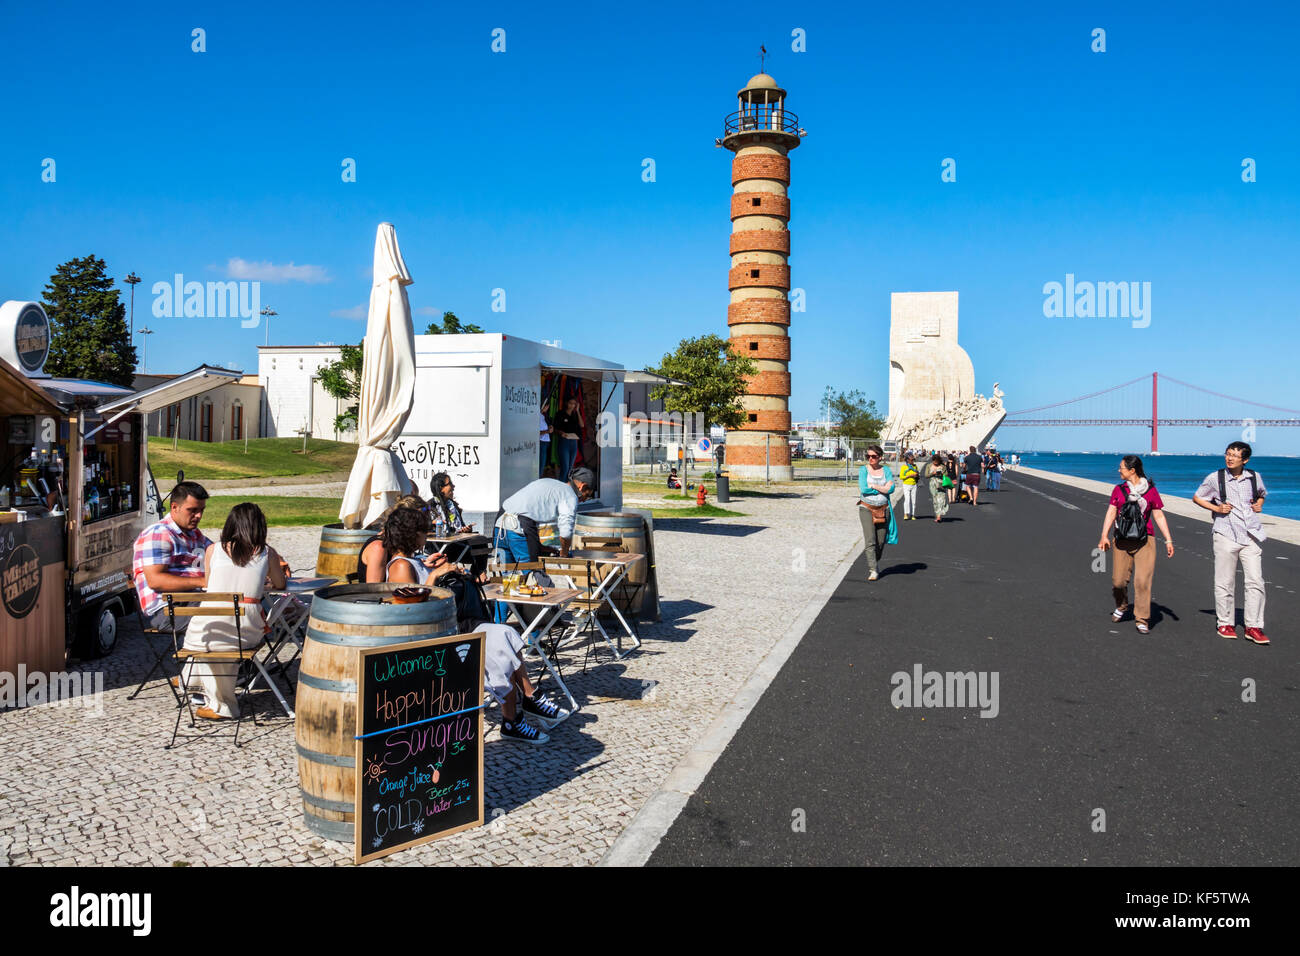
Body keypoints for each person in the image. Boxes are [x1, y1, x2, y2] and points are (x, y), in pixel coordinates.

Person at [383, 507, 569, 742]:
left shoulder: (412, 560)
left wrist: (432, 566)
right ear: (412, 533)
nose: (427, 535)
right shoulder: (400, 566)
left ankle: (523, 707)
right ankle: (520, 713)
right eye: (424, 530)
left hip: (454, 627)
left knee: (505, 636)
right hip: (435, 640)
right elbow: (412, 612)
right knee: (499, 643)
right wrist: (434, 576)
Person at [182, 503, 287, 720]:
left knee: (210, 641)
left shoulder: (214, 550)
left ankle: (213, 699)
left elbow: (211, 585)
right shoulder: (267, 553)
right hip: (244, 628)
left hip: (204, 630)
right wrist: (261, 583)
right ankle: (218, 702)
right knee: (228, 638)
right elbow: (280, 584)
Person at [1192, 441, 1270, 644]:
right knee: (1225, 581)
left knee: (1256, 581)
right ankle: (1225, 623)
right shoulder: (1215, 478)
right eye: (1227, 454)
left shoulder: (1254, 477)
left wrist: (1259, 504)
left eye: (1234, 455)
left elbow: (1261, 495)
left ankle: (1253, 627)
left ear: (1245, 460)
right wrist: (1217, 509)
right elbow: (1197, 497)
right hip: (1226, 533)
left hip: (1251, 535)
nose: (1229, 458)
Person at [1097, 455, 1175, 635]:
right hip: (1121, 539)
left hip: (1145, 540)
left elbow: (1159, 516)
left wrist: (1168, 539)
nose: (1118, 471)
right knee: (1118, 581)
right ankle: (1122, 605)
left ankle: (1141, 619)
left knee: (1142, 581)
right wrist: (1104, 536)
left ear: (1132, 470)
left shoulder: (1151, 491)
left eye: (1121, 468)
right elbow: (1111, 512)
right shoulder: (1118, 490)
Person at [132, 480, 212, 631]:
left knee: (242, 607)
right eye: (192, 510)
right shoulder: (159, 533)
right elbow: (156, 581)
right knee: (230, 615)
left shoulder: (194, 534)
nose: (199, 516)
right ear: (174, 507)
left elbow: (218, 554)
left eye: (202, 510)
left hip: (191, 600)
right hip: (168, 610)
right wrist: (202, 582)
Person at [357, 494, 428, 584]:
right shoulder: (379, 548)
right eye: (420, 525)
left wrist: (422, 564)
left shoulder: (399, 544)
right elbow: (373, 590)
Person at [857, 444, 897, 582]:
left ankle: (874, 561)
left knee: (880, 541)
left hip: (883, 508)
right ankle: (873, 569)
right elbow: (864, 489)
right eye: (868, 456)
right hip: (866, 507)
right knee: (870, 540)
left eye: (873, 456)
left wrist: (875, 486)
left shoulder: (886, 470)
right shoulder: (863, 470)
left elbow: (891, 489)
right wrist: (880, 488)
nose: (870, 459)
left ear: (880, 457)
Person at [553, 395, 582, 481]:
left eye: (574, 404)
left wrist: (577, 411)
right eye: (570, 403)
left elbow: (582, 425)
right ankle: (561, 488)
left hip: (573, 443)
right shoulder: (560, 414)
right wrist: (560, 432)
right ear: (566, 403)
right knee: (565, 468)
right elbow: (554, 429)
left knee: (570, 469)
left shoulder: (575, 415)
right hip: (564, 442)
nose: (572, 405)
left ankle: (567, 488)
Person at [923, 453, 949, 523]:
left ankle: (939, 516)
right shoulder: (929, 466)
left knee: (942, 499)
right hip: (933, 484)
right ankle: (937, 514)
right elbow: (926, 475)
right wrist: (933, 473)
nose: (935, 463)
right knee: (935, 499)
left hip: (941, 483)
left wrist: (941, 473)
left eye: (937, 462)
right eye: (934, 462)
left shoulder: (942, 466)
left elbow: (946, 474)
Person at [898, 453, 920, 520]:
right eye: (911, 460)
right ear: (907, 460)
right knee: (907, 500)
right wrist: (910, 476)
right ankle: (906, 514)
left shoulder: (915, 466)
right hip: (906, 485)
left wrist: (916, 475)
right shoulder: (904, 467)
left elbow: (918, 474)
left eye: (913, 459)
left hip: (914, 485)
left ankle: (913, 514)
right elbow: (901, 477)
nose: (912, 461)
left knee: (914, 500)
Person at [539, 410, 553, 477]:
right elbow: (535, 432)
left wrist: (550, 428)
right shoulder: (537, 415)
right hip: (541, 442)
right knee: (541, 464)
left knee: (543, 464)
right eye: (547, 406)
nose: (547, 408)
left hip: (546, 442)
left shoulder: (544, 415)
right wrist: (547, 431)